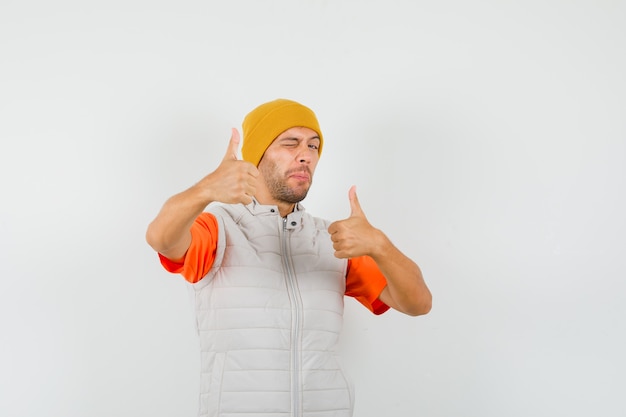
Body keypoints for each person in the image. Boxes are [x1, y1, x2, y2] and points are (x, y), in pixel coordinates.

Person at [146, 98, 432, 417]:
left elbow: (418, 303)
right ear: (257, 155)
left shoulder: (332, 240)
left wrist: (380, 245)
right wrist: (205, 191)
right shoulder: (220, 228)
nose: (305, 155)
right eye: (290, 143)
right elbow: (160, 238)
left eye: (313, 145)